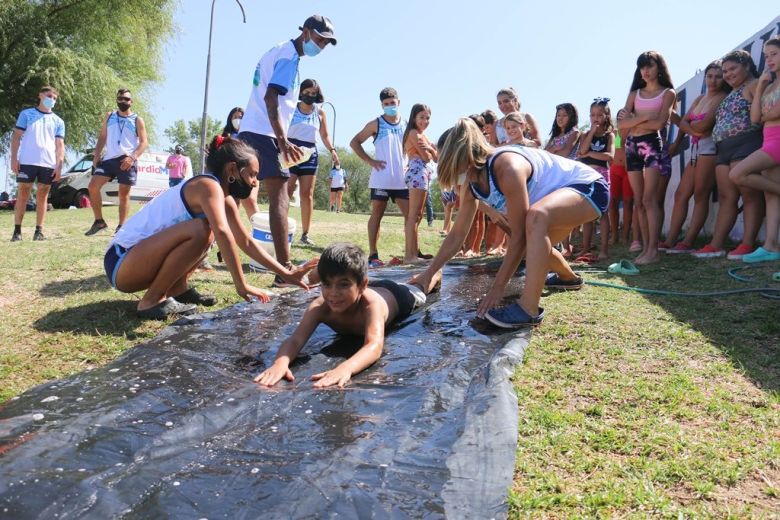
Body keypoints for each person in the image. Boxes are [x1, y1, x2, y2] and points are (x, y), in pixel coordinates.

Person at [410, 119, 608, 328]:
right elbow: (457, 235)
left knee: (534, 219)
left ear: (460, 155)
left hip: (590, 187)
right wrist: (429, 273)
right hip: (564, 195)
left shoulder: (507, 167)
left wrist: (498, 288)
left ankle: (528, 309)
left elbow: (519, 236)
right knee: (533, 244)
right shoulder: (470, 183)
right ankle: (569, 279)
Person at [103, 135, 315, 320]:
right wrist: (241, 285)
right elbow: (223, 233)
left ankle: (178, 289)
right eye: (251, 174)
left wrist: (286, 273)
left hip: (134, 262)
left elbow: (246, 242)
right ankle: (152, 301)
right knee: (203, 229)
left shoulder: (225, 198)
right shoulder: (208, 186)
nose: (254, 182)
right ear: (232, 169)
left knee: (206, 230)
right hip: (121, 262)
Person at [253, 242, 442, 388]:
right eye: (326, 284)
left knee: (420, 289)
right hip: (371, 286)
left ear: (361, 286)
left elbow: (374, 345)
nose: (333, 293)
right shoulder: (320, 306)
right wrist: (280, 363)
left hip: (397, 296)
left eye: (343, 285)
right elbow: (295, 340)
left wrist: (345, 368)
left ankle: (432, 275)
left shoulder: (371, 306)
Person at [237, 15, 336, 284]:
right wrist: (282, 140)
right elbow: (271, 97)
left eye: (326, 44)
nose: (321, 46)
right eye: (319, 40)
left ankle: (201, 251)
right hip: (264, 133)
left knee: (232, 195)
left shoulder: (278, 51)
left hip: (250, 129)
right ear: (305, 32)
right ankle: (285, 270)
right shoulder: (289, 57)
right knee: (280, 194)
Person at [692, 50, 764, 260]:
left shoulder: (755, 84)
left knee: (749, 195)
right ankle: (716, 244)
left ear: (747, 66)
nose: (728, 74)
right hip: (723, 149)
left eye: (733, 68)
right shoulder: (730, 92)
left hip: (746, 143)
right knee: (726, 197)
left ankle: (748, 243)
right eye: (725, 71)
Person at [617, 51, 676, 265]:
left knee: (649, 199)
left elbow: (660, 124)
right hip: (632, 146)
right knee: (639, 201)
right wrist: (645, 117)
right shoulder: (635, 94)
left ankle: (653, 250)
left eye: (649, 66)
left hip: (652, 145)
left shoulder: (668, 93)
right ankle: (644, 247)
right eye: (642, 67)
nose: (645, 71)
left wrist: (634, 120)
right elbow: (621, 125)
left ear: (658, 67)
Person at [664, 61, 730, 254]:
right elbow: (684, 123)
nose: (714, 80)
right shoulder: (700, 98)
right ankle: (670, 240)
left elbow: (702, 126)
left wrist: (691, 127)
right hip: (695, 149)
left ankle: (688, 241)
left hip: (710, 150)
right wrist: (692, 130)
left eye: (719, 76)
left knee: (701, 194)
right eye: (710, 76)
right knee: (681, 194)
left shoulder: (722, 97)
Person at [729, 37, 780, 262]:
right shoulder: (769, 84)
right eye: (766, 55)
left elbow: (771, 114)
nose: (769, 59)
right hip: (767, 139)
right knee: (771, 193)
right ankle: (771, 245)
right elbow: (754, 117)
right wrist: (760, 86)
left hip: (778, 140)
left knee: (737, 173)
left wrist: (763, 115)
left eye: (774, 54)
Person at [350, 87, 409, 267]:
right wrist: (370, 161)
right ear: (382, 105)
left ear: (398, 102)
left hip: (402, 179)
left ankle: (412, 251)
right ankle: (373, 254)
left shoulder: (407, 124)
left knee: (412, 215)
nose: (390, 106)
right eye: (386, 104)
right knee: (377, 214)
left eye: (393, 103)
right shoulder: (376, 123)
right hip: (381, 178)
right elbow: (355, 142)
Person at [85, 88, 148, 236]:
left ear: (131, 102)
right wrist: (96, 155)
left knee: (123, 193)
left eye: (126, 99)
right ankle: (99, 221)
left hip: (127, 159)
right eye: (120, 98)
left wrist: (132, 157)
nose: (123, 101)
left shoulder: (137, 119)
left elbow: (144, 142)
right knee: (92, 187)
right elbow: (102, 137)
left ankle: (121, 227)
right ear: (117, 100)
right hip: (108, 159)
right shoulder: (109, 116)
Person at [285, 79, 340, 246]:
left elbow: (324, 136)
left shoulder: (320, 112)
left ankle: (305, 234)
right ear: (300, 92)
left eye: (313, 93)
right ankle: (281, 228)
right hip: (290, 150)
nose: (309, 96)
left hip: (310, 153)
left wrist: (332, 151)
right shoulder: (292, 108)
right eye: (306, 92)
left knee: (307, 194)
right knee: (286, 190)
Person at [9, 86, 65, 242]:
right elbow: (16, 137)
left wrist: (59, 166)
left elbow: (60, 145)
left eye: (54, 98)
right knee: (23, 193)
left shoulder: (58, 121)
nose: (52, 100)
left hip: (48, 163)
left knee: (43, 195)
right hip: (27, 161)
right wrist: (14, 158)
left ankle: (39, 231)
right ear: (40, 95)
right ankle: (17, 231)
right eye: (49, 96)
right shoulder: (26, 114)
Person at [577, 97, 615, 260]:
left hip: (602, 176)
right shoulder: (586, 134)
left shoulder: (610, 135)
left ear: (606, 116)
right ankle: (586, 248)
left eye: (599, 115)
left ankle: (604, 249)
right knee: (587, 214)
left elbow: (610, 156)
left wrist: (592, 154)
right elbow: (581, 151)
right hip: (586, 176)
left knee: (603, 214)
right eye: (592, 115)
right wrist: (592, 132)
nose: (595, 118)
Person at [400, 103, 437, 264]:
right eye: (421, 117)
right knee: (413, 215)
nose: (425, 121)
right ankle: (409, 255)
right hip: (417, 172)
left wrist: (430, 149)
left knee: (418, 215)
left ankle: (415, 252)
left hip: (423, 173)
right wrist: (430, 149)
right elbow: (426, 157)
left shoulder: (423, 136)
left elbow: (436, 157)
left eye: (427, 118)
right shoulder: (414, 133)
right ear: (414, 118)